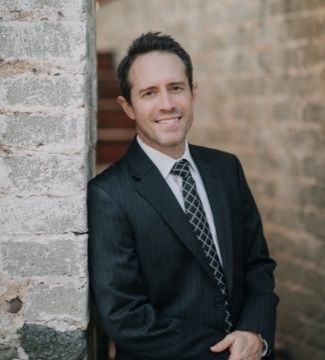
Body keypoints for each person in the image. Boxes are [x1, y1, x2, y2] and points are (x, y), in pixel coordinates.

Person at [88, 32, 279, 360]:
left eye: (176, 88)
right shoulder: (109, 194)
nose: (167, 104)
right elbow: (125, 317)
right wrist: (229, 354)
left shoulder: (226, 168)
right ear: (128, 106)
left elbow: (257, 264)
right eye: (149, 92)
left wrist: (254, 332)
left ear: (193, 92)